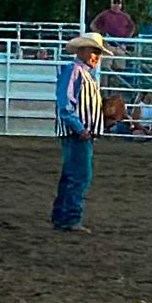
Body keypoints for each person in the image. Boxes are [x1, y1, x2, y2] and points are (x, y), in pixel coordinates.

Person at [53, 30, 116, 232]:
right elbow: (65, 103)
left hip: (80, 133)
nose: (97, 56)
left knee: (73, 176)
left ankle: (63, 217)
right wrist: (80, 128)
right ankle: (70, 218)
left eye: (98, 52)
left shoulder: (82, 73)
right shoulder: (75, 71)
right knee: (79, 177)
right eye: (94, 51)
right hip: (78, 134)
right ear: (82, 50)